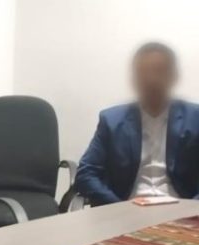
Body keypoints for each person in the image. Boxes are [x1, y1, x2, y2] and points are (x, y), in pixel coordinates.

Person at [75, 42, 199, 206]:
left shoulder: (195, 118)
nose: (151, 79)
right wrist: (118, 206)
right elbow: (86, 174)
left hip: (181, 209)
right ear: (133, 79)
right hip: (127, 209)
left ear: (174, 76)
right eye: (144, 72)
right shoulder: (111, 121)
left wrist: (191, 208)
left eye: (159, 71)